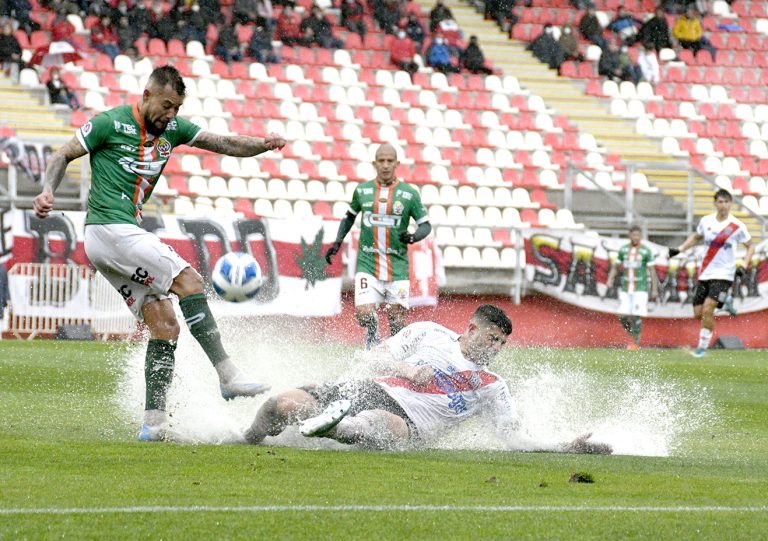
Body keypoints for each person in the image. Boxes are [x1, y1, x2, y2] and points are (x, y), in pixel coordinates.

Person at [32, 65, 287, 440]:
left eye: (177, 108)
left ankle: (153, 423)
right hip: (110, 228)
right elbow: (62, 155)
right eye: (166, 105)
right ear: (147, 94)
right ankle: (228, 374)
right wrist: (47, 190)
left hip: (113, 241)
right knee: (190, 281)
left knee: (165, 324)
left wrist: (264, 144)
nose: (171, 115)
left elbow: (227, 145)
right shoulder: (109, 123)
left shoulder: (173, 130)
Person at [243, 305, 613, 454]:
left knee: (377, 424)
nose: (496, 347)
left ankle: (332, 426)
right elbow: (375, 356)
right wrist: (407, 371)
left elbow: (514, 437)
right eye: (492, 338)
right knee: (282, 404)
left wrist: (565, 447)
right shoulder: (429, 333)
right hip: (371, 389)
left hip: (409, 424)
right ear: (471, 329)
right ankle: (245, 439)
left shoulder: (492, 385)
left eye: (502, 343)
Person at [324, 144, 431, 349]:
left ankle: (396, 357)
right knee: (364, 315)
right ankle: (372, 337)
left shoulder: (409, 194)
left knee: (397, 321)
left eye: (389, 161)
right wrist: (337, 243)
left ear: (397, 164)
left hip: (397, 267)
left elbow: (426, 226)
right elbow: (348, 218)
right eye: (381, 161)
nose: (385, 165)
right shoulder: (362, 190)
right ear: (374, 163)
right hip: (368, 263)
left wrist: (413, 237)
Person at [668, 189, 755, 357]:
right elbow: (696, 237)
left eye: (726, 202)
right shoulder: (706, 221)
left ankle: (701, 348)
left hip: (724, 274)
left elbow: (751, 245)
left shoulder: (737, 226)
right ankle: (725, 300)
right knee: (698, 313)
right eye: (720, 202)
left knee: (708, 309)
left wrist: (744, 263)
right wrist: (679, 249)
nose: (723, 205)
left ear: (731, 204)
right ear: (715, 203)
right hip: (705, 273)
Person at [607, 226, 659, 350]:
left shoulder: (646, 251)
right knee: (622, 315)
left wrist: (654, 288)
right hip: (626, 288)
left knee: (636, 315)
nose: (636, 237)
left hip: (640, 288)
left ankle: (635, 342)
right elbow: (616, 266)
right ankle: (633, 335)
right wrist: (610, 279)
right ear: (630, 235)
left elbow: (652, 270)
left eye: (638, 235)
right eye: (634, 235)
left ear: (640, 236)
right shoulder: (624, 250)